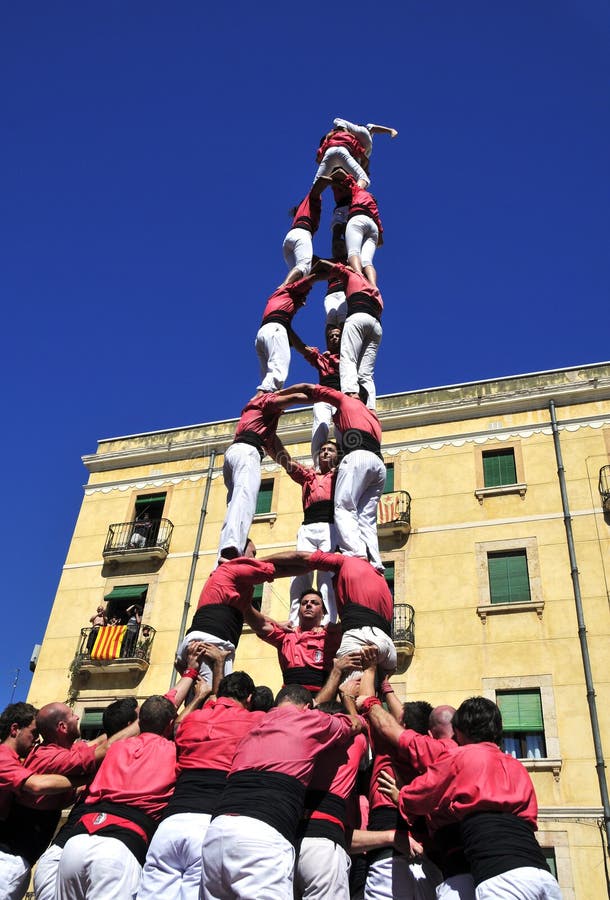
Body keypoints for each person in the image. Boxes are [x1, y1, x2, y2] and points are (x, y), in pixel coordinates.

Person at [377, 697, 562, 900]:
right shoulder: (517, 766)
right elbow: (530, 818)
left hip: (502, 877)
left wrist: (400, 795)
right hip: (543, 874)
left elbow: (422, 795)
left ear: (460, 732)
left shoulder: (460, 757)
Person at [200, 683, 365, 900]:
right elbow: (352, 725)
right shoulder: (309, 720)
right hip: (262, 832)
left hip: (216, 832)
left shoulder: (252, 723)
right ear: (307, 707)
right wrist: (352, 704)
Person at [137, 671, 265, 900]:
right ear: (249, 699)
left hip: (171, 822)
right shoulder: (255, 721)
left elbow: (177, 728)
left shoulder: (190, 721)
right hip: (210, 823)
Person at [56, 695, 179, 900]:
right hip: (119, 846)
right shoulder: (174, 752)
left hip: (76, 842)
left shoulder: (116, 748)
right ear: (171, 724)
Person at [287, 383, 386, 569]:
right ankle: (375, 560)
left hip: (357, 457)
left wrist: (283, 395)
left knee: (344, 506)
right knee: (366, 517)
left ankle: (355, 552)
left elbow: (312, 389)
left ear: (354, 394)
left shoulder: (346, 401)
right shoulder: (373, 416)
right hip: (378, 464)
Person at [218, 387, 309, 561]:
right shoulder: (264, 402)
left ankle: (222, 556)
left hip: (234, 454)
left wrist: (302, 472)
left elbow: (282, 457)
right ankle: (233, 548)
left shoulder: (264, 427)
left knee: (234, 506)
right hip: (247, 452)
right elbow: (297, 396)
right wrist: (328, 397)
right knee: (245, 498)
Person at [294, 698, 370, 900]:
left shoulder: (304, 743)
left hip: (290, 842)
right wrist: (349, 700)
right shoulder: (356, 741)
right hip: (325, 845)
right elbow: (362, 725)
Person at [0, 702, 77, 900]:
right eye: (34, 733)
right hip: (6, 860)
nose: (37, 740)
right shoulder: (2, 757)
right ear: (15, 729)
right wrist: (83, 779)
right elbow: (36, 785)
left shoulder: (20, 762)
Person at [267, 434, 339, 619]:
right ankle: (294, 619)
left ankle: (328, 620)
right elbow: (287, 462)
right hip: (307, 526)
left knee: (326, 574)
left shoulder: (341, 475)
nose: (324, 452)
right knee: (299, 572)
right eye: (322, 450)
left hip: (329, 526)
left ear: (337, 456)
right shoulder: (309, 475)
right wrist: (271, 439)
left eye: (330, 450)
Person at [313, 258, 383, 409]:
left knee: (348, 358)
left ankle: (351, 394)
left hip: (357, 318)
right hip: (376, 326)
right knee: (365, 373)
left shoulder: (352, 276)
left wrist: (313, 275)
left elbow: (325, 265)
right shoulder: (375, 290)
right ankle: (370, 407)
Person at [246, 589, 342, 696]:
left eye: (314, 603)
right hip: (289, 697)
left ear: (323, 611)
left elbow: (355, 622)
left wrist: (338, 627)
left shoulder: (331, 636)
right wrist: (244, 602)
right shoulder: (286, 634)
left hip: (321, 697)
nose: (308, 605)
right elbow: (260, 625)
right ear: (298, 611)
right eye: (304, 603)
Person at [255, 274, 317, 395]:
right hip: (275, 330)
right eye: (304, 297)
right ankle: (261, 397)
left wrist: (305, 349)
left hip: (263, 334)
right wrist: (335, 271)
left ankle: (266, 399)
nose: (304, 303)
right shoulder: (290, 289)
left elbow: (292, 335)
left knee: (268, 373)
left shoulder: (278, 300)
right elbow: (312, 277)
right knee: (279, 367)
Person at [289, 325, 342, 462]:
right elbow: (303, 348)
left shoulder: (350, 357)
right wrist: (288, 329)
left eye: (337, 335)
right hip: (323, 397)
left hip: (342, 397)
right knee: (321, 422)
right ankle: (318, 465)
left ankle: (343, 462)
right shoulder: (322, 359)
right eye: (331, 336)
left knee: (342, 428)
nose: (334, 338)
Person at [313, 118, 398, 190]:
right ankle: (357, 189)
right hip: (357, 147)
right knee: (359, 175)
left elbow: (319, 159)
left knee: (337, 120)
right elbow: (366, 161)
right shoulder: (359, 141)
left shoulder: (358, 133)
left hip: (353, 141)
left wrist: (390, 130)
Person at [332, 169, 383, 287]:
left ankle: (359, 277)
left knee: (353, 253)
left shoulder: (358, 190)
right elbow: (380, 241)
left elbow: (340, 173)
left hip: (357, 219)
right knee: (367, 261)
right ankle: (373, 286)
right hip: (372, 225)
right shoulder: (374, 208)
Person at [282, 177, 331, 286]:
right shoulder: (312, 200)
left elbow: (313, 260)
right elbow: (319, 184)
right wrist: (334, 181)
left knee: (299, 278)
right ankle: (282, 288)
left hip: (290, 239)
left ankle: (284, 294)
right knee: (303, 267)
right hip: (302, 234)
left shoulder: (302, 210)